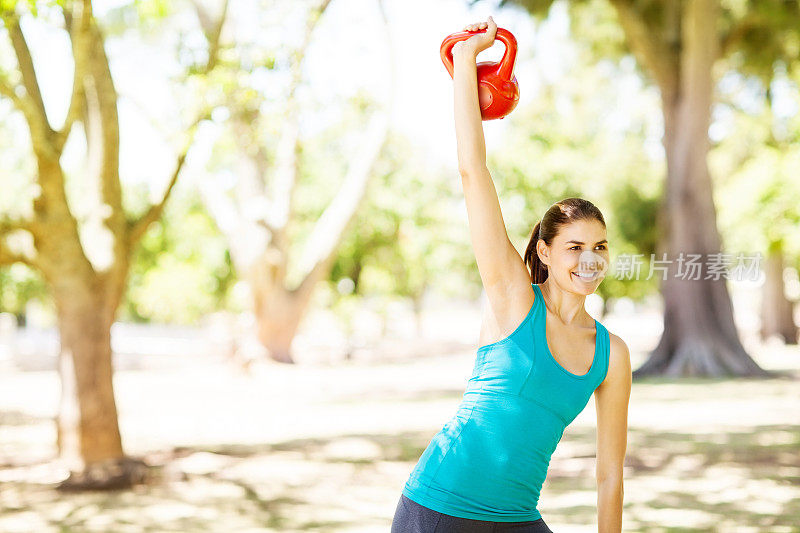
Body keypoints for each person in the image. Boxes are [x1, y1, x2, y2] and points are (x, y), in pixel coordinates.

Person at [390, 16, 632, 533]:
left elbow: (610, 474)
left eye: (599, 247)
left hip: (517, 519)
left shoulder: (612, 355)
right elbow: (472, 171)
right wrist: (463, 65)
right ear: (544, 252)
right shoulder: (513, 298)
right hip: (439, 508)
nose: (589, 260)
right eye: (574, 247)